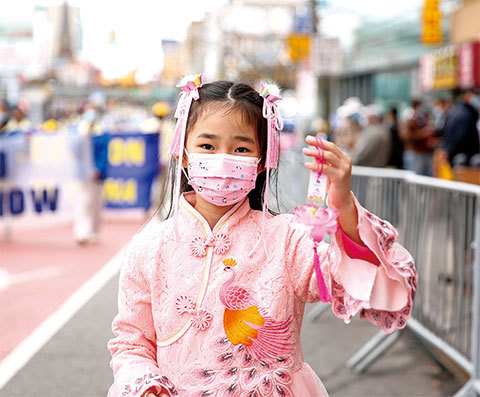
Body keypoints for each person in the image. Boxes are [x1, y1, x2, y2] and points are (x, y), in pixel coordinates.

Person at [107, 76, 417, 397]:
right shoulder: (149, 248)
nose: (223, 159)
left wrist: (345, 210)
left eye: (241, 148)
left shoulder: (287, 240)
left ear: (261, 161)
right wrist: (143, 382)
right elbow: (132, 340)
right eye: (207, 146)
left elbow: (386, 292)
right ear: (182, 152)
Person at [441, 89, 480, 166]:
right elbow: (460, 136)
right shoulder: (465, 114)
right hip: (463, 157)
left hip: (457, 155)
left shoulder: (458, 111)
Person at [400, 99, 436, 176]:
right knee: (415, 178)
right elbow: (406, 136)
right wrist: (424, 132)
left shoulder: (422, 119)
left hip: (424, 153)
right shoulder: (409, 118)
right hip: (414, 154)